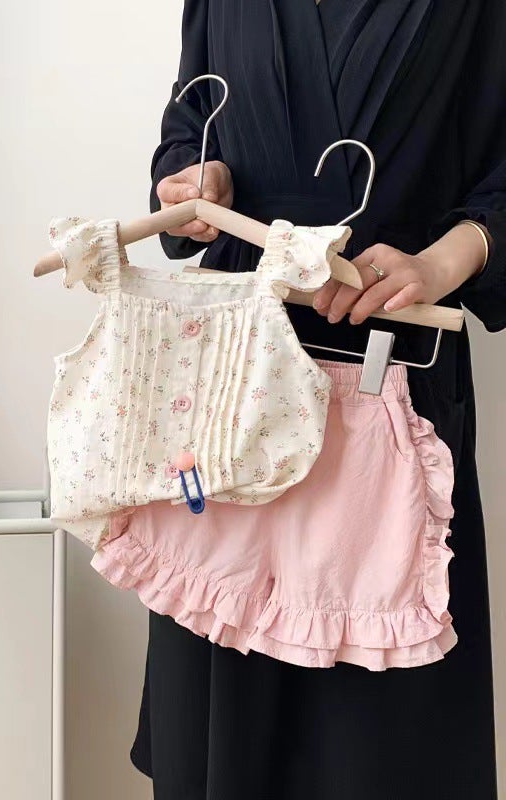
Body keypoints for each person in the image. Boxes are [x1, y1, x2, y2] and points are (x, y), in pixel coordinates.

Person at [131, 2, 504, 798]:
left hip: (394, 362)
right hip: (234, 381)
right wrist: (194, 177)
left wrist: (439, 264)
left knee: (380, 736)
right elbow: (192, 117)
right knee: (226, 715)